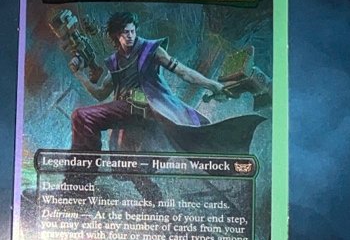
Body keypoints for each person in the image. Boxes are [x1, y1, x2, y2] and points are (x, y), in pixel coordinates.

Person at [66, 11, 268, 201]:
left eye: (132, 31)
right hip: (125, 111)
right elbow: (100, 93)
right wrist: (80, 75)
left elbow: (183, 72)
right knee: (125, 162)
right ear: (116, 35)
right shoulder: (115, 61)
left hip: (152, 110)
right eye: (125, 32)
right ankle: (88, 185)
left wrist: (211, 84)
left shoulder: (150, 50)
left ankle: (82, 180)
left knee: (86, 120)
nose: (130, 36)